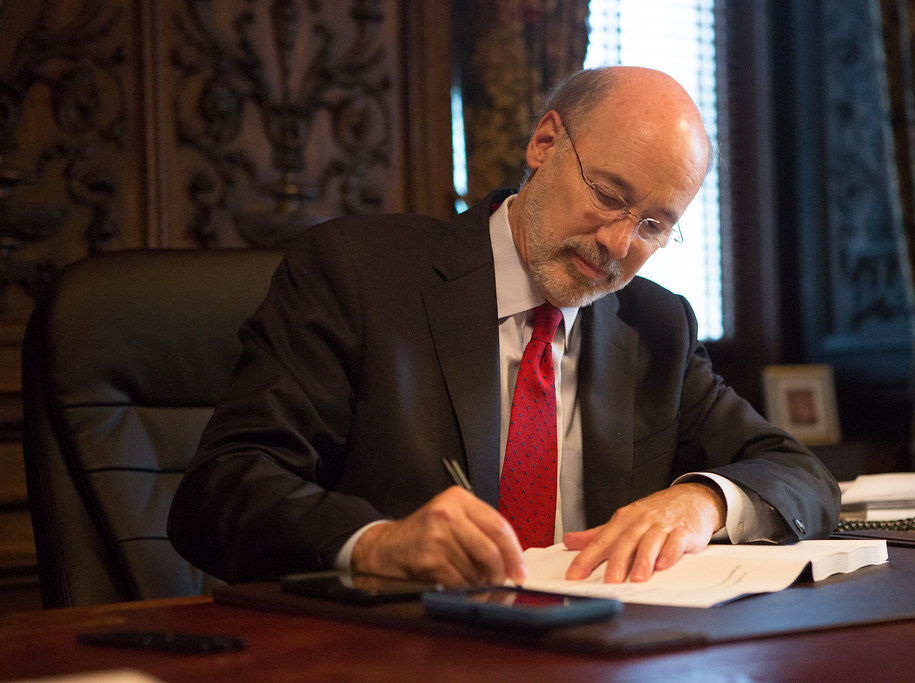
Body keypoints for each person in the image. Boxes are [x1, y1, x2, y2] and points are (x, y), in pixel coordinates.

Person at [167, 66, 840, 588]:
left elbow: (799, 472)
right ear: (544, 143)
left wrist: (702, 503)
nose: (616, 241)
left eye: (654, 225)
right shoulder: (357, 274)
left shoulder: (656, 325)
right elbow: (219, 489)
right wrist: (375, 543)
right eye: (608, 195)